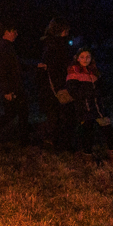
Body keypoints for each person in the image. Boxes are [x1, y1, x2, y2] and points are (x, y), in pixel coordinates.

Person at [66, 48, 113, 157]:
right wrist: (88, 94)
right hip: (84, 107)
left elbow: (103, 88)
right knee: (88, 131)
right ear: (77, 58)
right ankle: (87, 154)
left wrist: (103, 93)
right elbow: (73, 91)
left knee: (107, 128)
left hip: (98, 107)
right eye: (82, 57)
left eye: (88, 57)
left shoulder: (94, 72)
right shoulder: (74, 72)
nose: (85, 59)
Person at [0, 25, 31, 144]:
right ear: (6, 32)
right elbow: (2, 71)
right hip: (12, 87)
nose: (16, 34)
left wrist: (34, 67)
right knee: (16, 113)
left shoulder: (8, 47)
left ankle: (23, 138)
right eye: (14, 31)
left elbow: (16, 66)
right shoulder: (4, 48)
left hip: (15, 86)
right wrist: (7, 90)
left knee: (17, 112)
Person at [38, 18, 75, 150]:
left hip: (55, 85)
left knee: (58, 115)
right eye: (66, 30)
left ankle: (56, 141)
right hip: (56, 86)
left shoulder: (52, 44)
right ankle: (55, 142)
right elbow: (53, 68)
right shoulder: (56, 46)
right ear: (62, 30)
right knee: (59, 115)